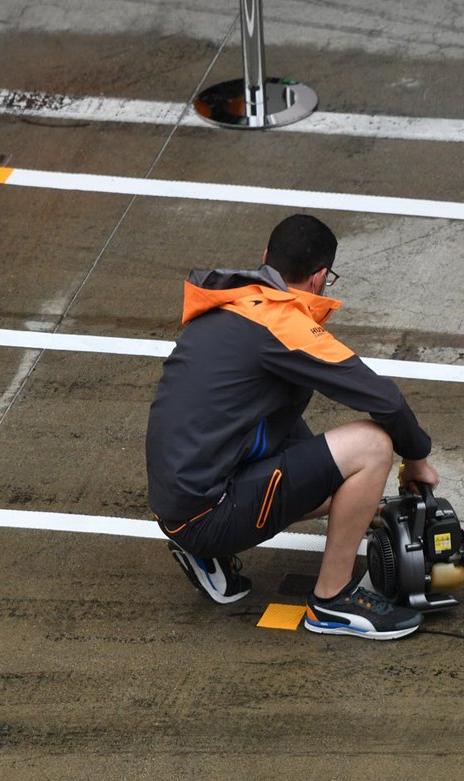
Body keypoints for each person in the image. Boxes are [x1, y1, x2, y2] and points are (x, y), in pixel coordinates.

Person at [145, 213, 439, 640]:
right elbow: (385, 400)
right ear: (321, 278)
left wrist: (356, 503)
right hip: (207, 512)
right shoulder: (283, 323)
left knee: (333, 471)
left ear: (266, 258)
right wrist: (416, 460)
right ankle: (332, 602)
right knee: (373, 445)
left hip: (178, 501)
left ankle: (202, 550)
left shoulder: (231, 302)